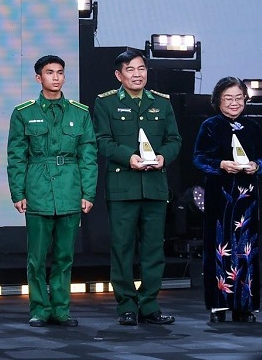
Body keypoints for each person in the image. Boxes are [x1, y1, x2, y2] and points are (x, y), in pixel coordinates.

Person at [5, 55, 97, 327]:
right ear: (39, 77)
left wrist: (88, 193)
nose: (56, 77)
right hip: (38, 189)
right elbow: (16, 156)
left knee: (64, 257)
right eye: (49, 72)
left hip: (69, 188)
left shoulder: (79, 112)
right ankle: (39, 310)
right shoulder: (24, 112)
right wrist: (17, 192)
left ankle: (61, 310)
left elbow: (88, 155)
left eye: (60, 72)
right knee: (36, 258)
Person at [92, 48, 182, 326]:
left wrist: (163, 157)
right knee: (122, 249)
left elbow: (174, 140)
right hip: (123, 186)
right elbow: (102, 140)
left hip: (154, 186)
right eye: (130, 69)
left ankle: (150, 305)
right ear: (118, 75)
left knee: (154, 250)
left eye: (141, 68)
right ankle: (126, 306)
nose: (137, 74)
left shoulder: (161, 103)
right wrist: (128, 157)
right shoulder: (106, 102)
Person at [192, 76, 262, 323]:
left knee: (246, 248)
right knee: (219, 247)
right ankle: (218, 306)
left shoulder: (253, 127)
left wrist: (256, 165)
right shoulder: (210, 126)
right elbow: (199, 158)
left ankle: (244, 306)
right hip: (220, 197)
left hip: (247, 198)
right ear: (218, 101)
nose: (234, 103)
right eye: (228, 98)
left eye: (238, 98)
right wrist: (221, 164)